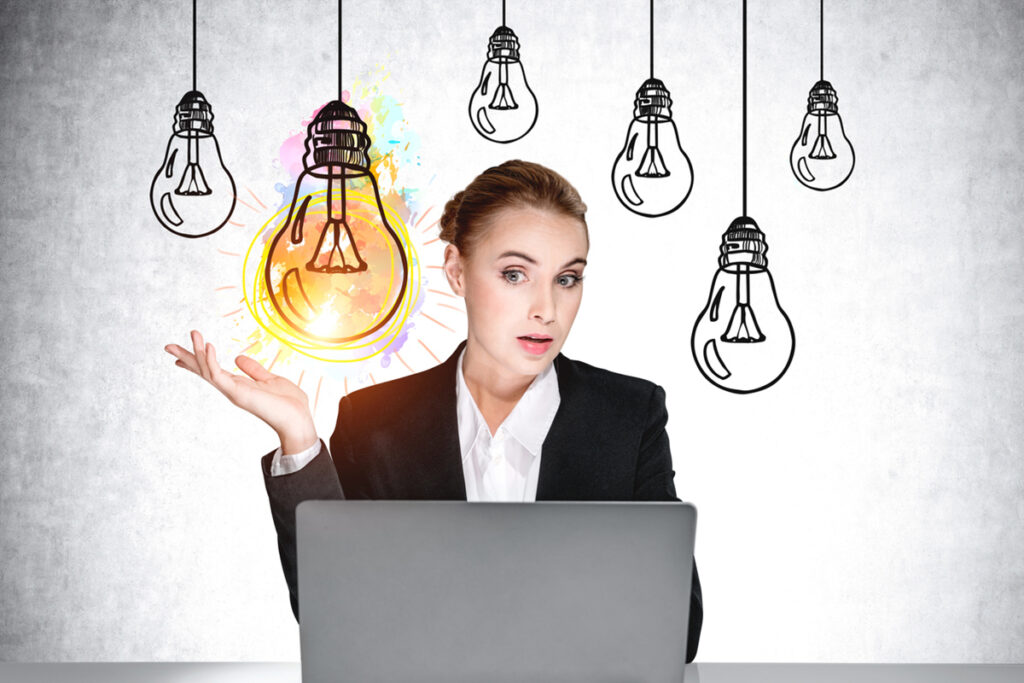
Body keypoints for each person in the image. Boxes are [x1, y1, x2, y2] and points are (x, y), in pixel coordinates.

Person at [165, 159, 703, 661]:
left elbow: (678, 632)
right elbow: (336, 615)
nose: (547, 309)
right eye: (515, 274)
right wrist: (299, 438)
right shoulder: (374, 423)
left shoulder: (629, 415)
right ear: (457, 271)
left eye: (567, 278)